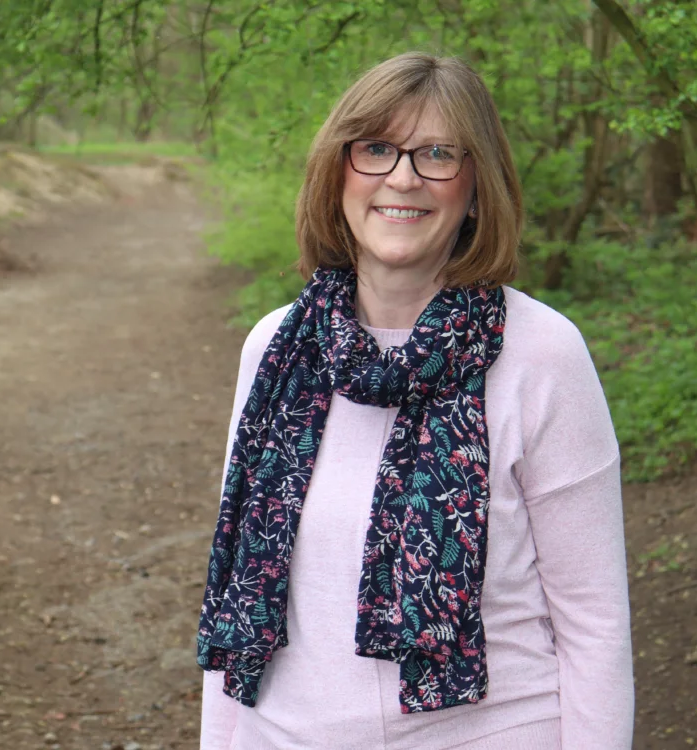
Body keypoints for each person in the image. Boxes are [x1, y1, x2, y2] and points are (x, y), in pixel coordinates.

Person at [195, 52, 634, 749]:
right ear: (337, 170)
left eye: (436, 154)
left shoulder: (541, 354)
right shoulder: (275, 350)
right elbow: (234, 607)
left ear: (478, 185)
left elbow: (594, 623)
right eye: (375, 148)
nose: (402, 176)